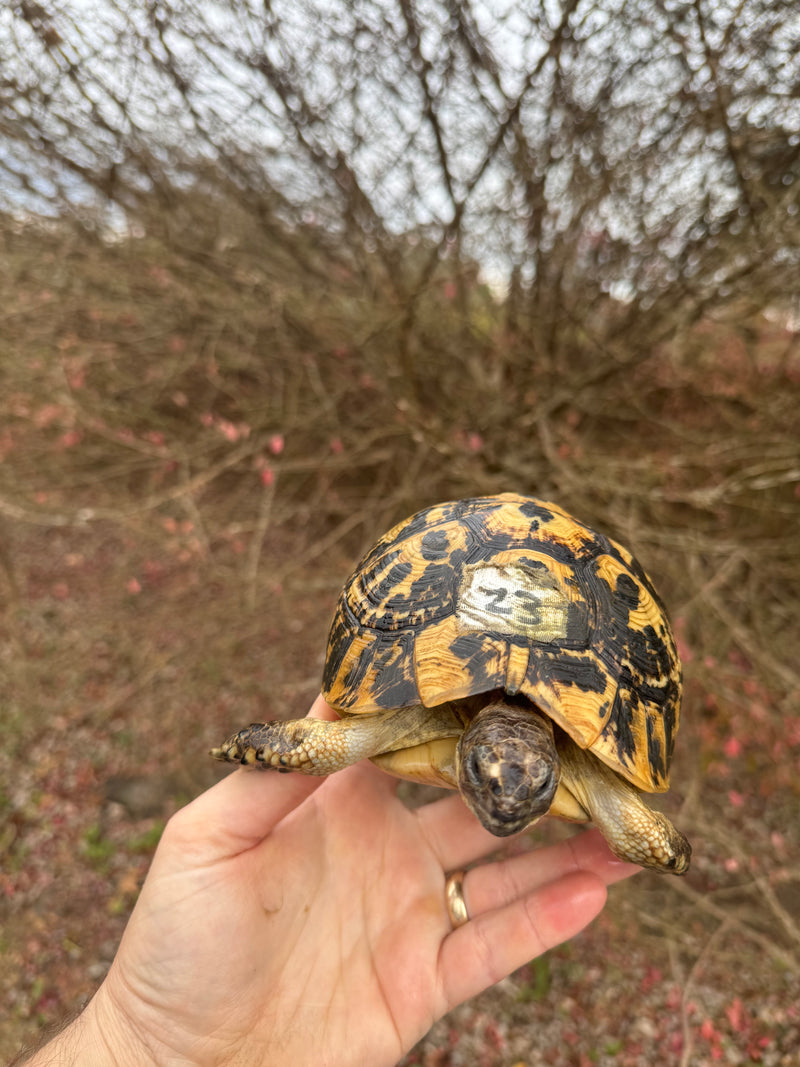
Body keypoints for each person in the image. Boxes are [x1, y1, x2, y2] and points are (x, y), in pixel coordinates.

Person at [20, 696, 638, 1066]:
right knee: (325, 743)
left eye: (532, 789)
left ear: (555, 769)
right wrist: (144, 1043)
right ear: (471, 750)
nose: (503, 806)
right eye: (488, 775)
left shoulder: (581, 768)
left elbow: (635, 813)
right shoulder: (415, 714)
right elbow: (350, 731)